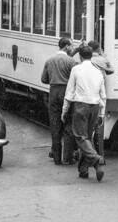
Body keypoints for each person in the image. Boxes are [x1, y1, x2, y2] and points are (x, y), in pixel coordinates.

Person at [62, 45, 106, 181]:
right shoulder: (98, 71)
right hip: (95, 106)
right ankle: (83, 170)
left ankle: (96, 159)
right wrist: (102, 114)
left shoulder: (76, 69)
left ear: (80, 56)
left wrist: (64, 110)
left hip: (81, 105)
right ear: (91, 56)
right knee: (87, 137)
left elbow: (69, 92)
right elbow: (103, 95)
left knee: (80, 137)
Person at [41, 37, 77, 165]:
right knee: (68, 123)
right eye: (71, 45)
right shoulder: (71, 61)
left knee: (55, 124)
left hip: (53, 93)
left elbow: (43, 79)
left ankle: (57, 158)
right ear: (66, 46)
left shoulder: (49, 60)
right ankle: (68, 157)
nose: (72, 48)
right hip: (66, 93)